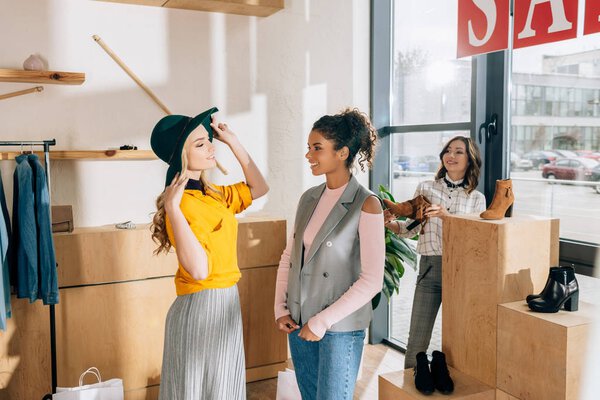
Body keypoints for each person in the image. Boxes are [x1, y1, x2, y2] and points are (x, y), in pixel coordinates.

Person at [150, 107, 269, 400]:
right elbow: (200, 271)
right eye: (200, 143)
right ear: (181, 155)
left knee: (223, 389)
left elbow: (260, 187)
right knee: (205, 391)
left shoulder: (213, 194)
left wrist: (233, 141)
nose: (210, 147)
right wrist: (173, 209)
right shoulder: (182, 205)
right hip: (202, 305)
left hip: (226, 300)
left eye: (209, 139)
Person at [274, 108, 385, 400]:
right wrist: (281, 307)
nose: (309, 154)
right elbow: (290, 257)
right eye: (309, 147)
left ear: (342, 152)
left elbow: (373, 280)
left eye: (317, 148)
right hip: (300, 320)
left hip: (339, 328)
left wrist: (322, 321)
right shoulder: (308, 198)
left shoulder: (367, 204)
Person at [383, 135, 485, 369]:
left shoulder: (477, 199)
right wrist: (388, 224)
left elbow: (475, 241)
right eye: (448, 151)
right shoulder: (426, 188)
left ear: (470, 159)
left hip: (462, 273)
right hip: (430, 269)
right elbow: (412, 229)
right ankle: (410, 386)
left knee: (459, 338)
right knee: (417, 339)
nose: (451, 156)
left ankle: (449, 383)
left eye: (459, 152)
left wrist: (447, 217)